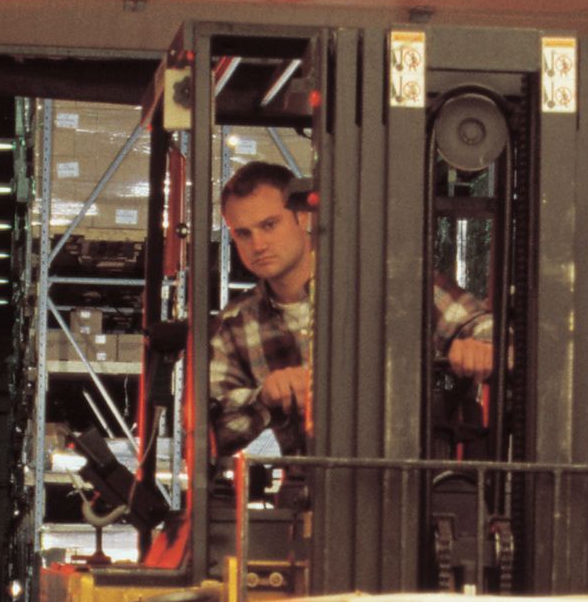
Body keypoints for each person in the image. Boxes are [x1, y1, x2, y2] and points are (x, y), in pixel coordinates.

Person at [209, 159, 494, 458]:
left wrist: (481, 346)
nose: (258, 244)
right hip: (311, 490)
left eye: (269, 225)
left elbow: (479, 325)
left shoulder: (385, 286)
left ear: (302, 218)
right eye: (243, 233)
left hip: (413, 481)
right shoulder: (236, 324)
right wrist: (263, 398)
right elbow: (214, 433)